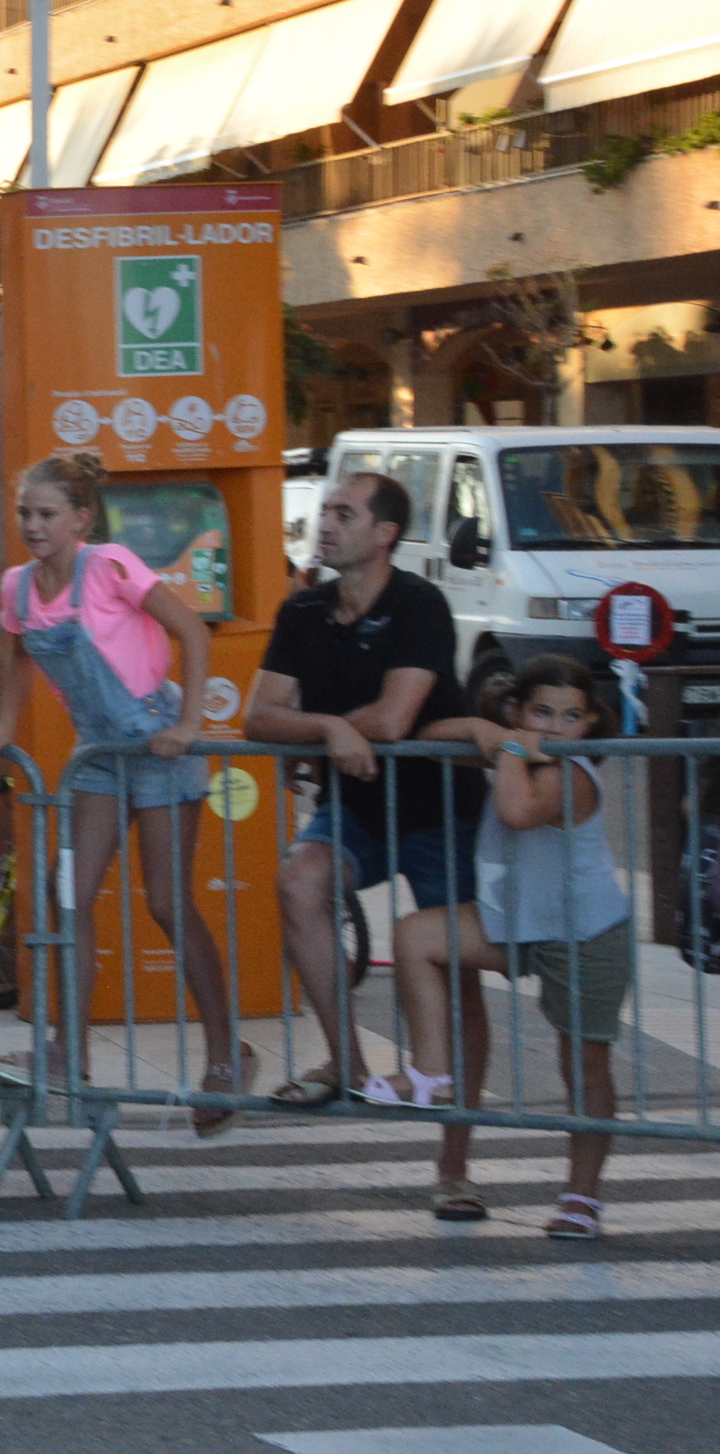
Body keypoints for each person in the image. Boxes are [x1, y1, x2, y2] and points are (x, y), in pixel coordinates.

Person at [0, 453, 236, 1131]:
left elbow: (188, 631)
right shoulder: (19, 588)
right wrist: (5, 719)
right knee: (70, 896)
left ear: (80, 520)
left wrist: (188, 723)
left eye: (47, 514)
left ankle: (224, 1054)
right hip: (98, 751)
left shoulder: (110, 565)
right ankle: (68, 1051)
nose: (32, 525)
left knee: (168, 904)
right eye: (25, 513)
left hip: (153, 738)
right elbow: (20, 650)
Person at [244, 471, 487, 1106]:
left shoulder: (418, 602)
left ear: (386, 535)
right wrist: (325, 728)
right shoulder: (301, 609)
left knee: (456, 972)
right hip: (355, 806)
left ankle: (461, 1112)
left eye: (344, 514)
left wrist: (319, 736)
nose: (325, 524)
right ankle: (345, 1063)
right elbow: (258, 717)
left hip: (441, 809)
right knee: (299, 881)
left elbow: (392, 718)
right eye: (325, 511)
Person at [388, 656, 630, 1235]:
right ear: (519, 711)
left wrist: (512, 750)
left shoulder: (567, 774)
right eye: (541, 712)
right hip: (515, 923)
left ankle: (582, 1196)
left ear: (590, 726)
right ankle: (430, 1069)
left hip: (585, 934)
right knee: (415, 935)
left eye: (571, 717)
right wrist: (483, 730)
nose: (554, 727)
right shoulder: (517, 748)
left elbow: (518, 811)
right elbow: (429, 735)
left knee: (584, 1067)